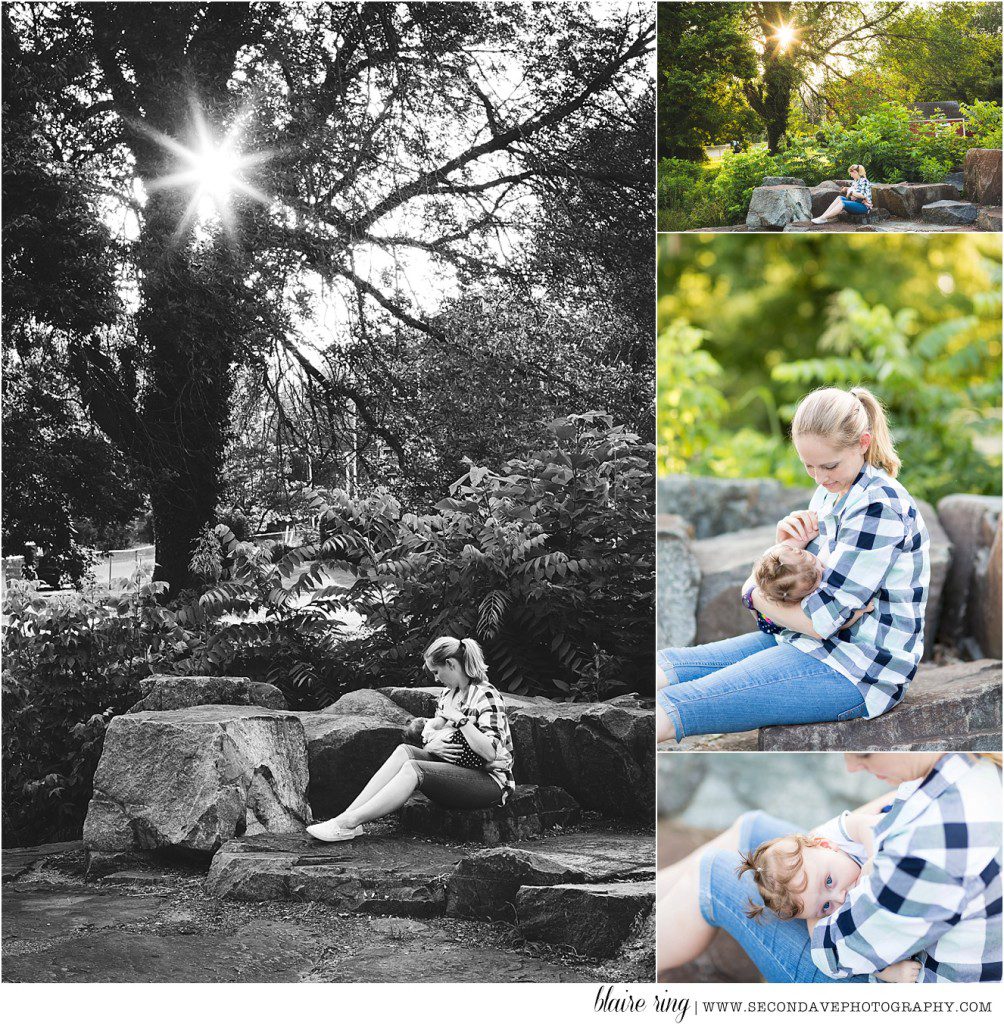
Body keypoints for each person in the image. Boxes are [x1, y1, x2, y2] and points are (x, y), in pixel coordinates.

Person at [657, 386, 930, 744]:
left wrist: (753, 596)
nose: (819, 477)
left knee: (682, 703)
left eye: (829, 465)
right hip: (802, 641)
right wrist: (784, 548)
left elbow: (819, 620)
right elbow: (790, 601)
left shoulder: (879, 506)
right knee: (669, 664)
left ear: (863, 443)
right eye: (809, 466)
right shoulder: (833, 489)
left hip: (857, 670)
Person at [658, 753, 1002, 983]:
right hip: (892, 933)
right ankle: (647, 893)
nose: (851, 766)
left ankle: (628, 951)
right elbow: (854, 824)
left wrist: (815, 910)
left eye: (863, 754)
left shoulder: (923, 856)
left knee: (715, 873)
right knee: (753, 828)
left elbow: (833, 951)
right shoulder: (967, 763)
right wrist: (821, 853)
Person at [306, 636, 515, 841]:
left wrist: (460, 720)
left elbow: (490, 752)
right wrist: (433, 746)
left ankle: (348, 822)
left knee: (414, 769)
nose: (435, 678)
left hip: (489, 782)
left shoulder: (485, 694)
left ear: (450, 664)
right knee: (403, 751)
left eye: (436, 671)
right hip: (454, 767)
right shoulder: (448, 695)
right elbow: (434, 736)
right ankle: (347, 820)